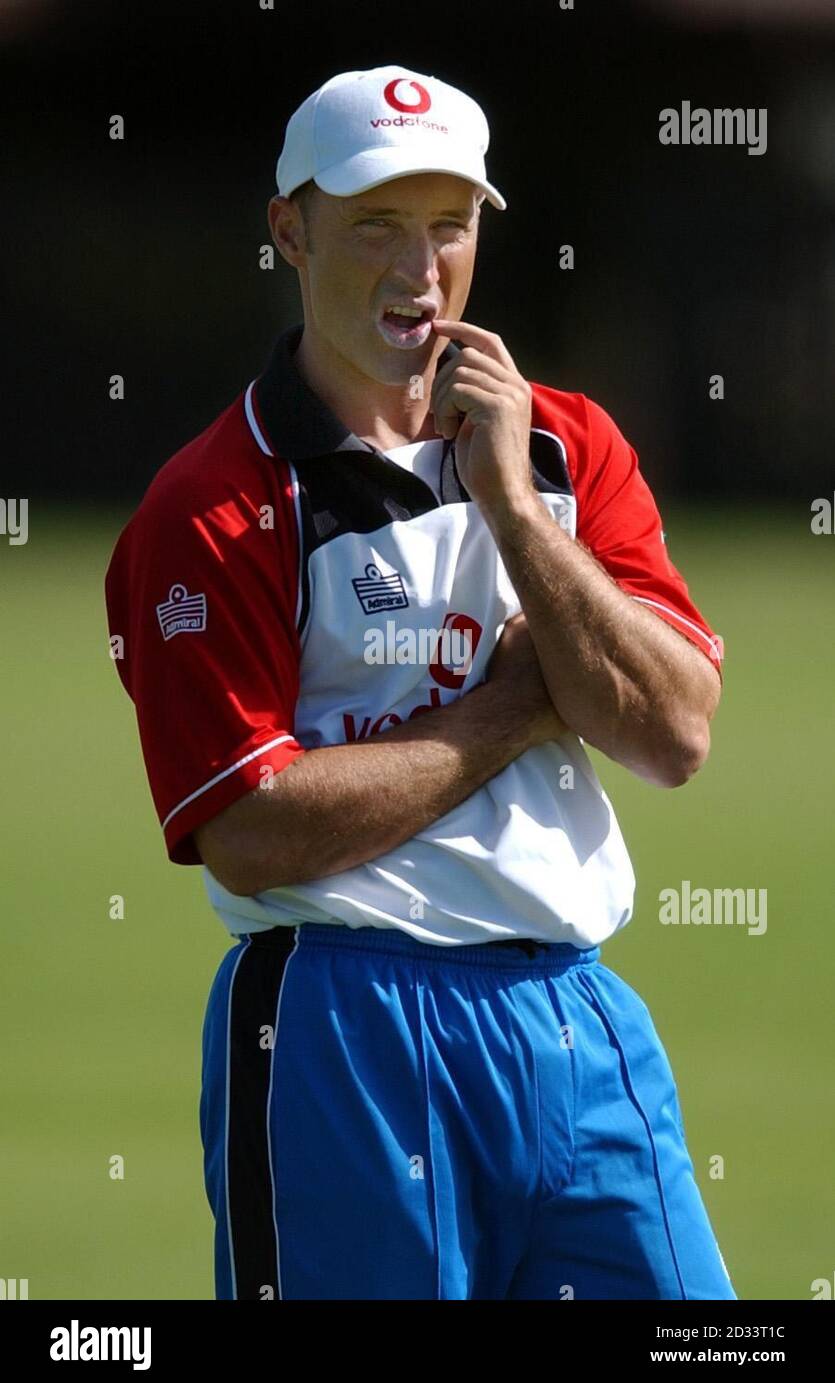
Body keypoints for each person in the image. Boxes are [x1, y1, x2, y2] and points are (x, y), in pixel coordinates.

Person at [105, 64, 736, 1300]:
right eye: (376, 224)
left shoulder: (564, 446)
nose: (420, 265)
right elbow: (247, 828)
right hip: (341, 1024)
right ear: (290, 229)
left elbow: (671, 734)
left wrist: (507, 504)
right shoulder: (211, 507)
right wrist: (512, 709)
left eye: (449, 223)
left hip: (579, 1014)